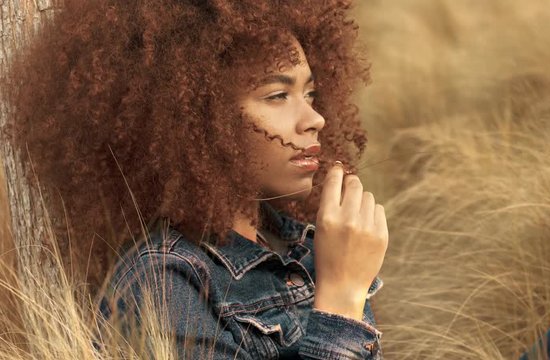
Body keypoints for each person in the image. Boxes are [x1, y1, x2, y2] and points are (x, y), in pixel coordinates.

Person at [1, 0, 387, 358]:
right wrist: (341, 301)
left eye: (311, 93)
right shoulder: (167, 284)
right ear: (198, 119)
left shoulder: (306, 247)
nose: (315, 120)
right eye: (276, 96)